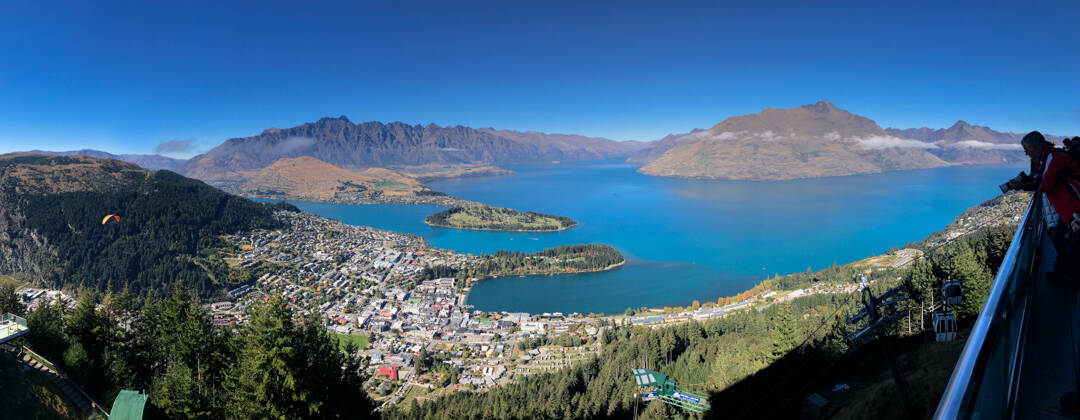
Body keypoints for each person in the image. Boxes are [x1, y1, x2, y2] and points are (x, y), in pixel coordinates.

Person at [1005, 131, 1080, 279]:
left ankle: (1069, 279)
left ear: (1033, 147)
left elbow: (1044, 185)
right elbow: (1042, 179)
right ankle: (1063, 275)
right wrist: (1025, 182)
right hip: (1067, 207)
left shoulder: (1052, 158)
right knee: (1060, 240)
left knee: (1069, 242)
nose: (1026, 154)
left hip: (1074, 206)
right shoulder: (1048, 157)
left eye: (1026, 150)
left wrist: (1021, 185)